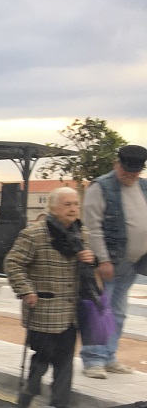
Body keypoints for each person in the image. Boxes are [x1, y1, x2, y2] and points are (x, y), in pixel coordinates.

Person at [4, 187, 96, 408]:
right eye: (67, 204)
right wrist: (26, 290)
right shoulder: (34, 234)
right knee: (42, 360)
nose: (73, 209)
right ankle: (27, 396)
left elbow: (87, 273)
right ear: (53, 208)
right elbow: (13, 263)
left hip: (70, 314)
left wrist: (89, 260)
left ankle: (60, 403)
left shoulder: (82, 234)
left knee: (65, 363)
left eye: (76, 204)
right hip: (43, 310)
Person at [79, 144, 147, 379]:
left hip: (133, 263)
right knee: (100, 312)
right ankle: (93, 360)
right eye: (126, 170)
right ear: (117, 164)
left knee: (118, 313)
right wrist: (103, 259)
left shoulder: (144, 187)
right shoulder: (100, 187)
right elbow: (93, 227)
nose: (130, 175)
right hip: (108, 263)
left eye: (135, 172)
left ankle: (109, 357)